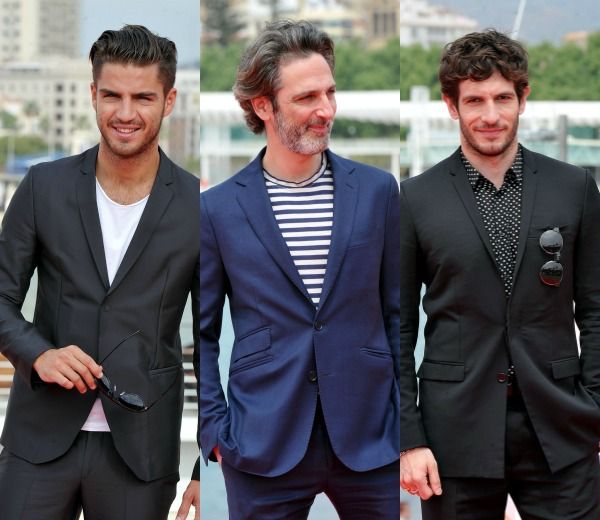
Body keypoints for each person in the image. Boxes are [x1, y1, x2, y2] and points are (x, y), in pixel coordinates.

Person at [200, 19, 400, 519]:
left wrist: (406, 425)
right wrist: (215, 432)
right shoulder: (217, 209)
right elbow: (200, 334)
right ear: (263, 106)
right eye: (307, 97)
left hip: (369, 439)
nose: (325, 110)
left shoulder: (378, 192)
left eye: (330, 92)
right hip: (261, 443)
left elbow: (400, 316)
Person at [0, 25, 200, 520]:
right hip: (37, 444)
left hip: (142, 452)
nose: (125, 113)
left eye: (143, 97)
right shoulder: (43, 187)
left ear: (169, 100)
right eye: (111, 95)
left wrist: (206, 469)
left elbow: (218, 340)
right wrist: (39, 354)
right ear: (93, 94)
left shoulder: (201, 206)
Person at [400, 29, 600, 519]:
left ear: (523, 98)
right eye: (474, 100)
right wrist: (410, 438)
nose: (490, 116)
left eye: (503, 98)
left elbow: (596, 309)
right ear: (452, 105)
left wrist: (594, 406)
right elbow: (395, 328)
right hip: (453, 434)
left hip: (562, 427)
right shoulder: (413, 200)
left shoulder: (574, 188)